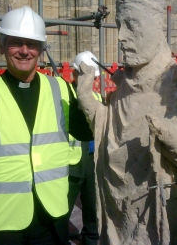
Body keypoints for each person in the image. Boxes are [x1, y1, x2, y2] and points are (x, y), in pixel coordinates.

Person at [75, 0, 177, 244]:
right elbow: (107, 131)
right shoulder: (125, 83)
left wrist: (172, 136)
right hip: (119, 215)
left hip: (162, 217)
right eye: (119, 25)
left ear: (157, 26)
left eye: (132, 26)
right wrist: (86, 99)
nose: (121, 36)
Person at [0, 6, 93, 245]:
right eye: (15, 42)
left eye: (31, 44)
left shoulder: (60, 88)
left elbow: (84, 132)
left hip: (52, 218)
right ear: (1, 45)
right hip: (3, 221)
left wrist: (86, 97)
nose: (24, 51)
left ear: (41, 49)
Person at [68, 51, 101, 245]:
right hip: (70, 161)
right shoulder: (66, 94)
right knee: (63, 208)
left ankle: (91, 239)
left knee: (92, 206)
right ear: (74, 74)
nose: (91, 81)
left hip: (91, 159)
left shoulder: (95, 96)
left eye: (94, 77)